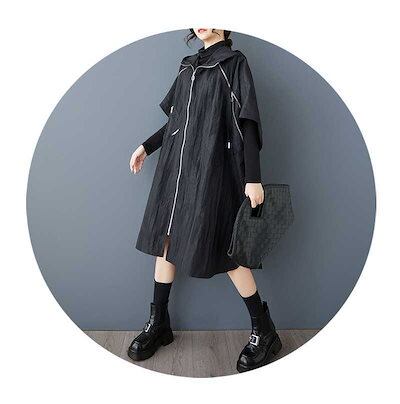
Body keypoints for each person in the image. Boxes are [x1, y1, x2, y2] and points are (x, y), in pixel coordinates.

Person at [128, 28, 281, 373]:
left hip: (213, 169)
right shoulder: (187, 65)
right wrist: (147, 147)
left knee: (227, 247)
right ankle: (159, 322)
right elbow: (176, 121)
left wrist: (253, 177)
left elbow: (248, 120)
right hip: (175, 171)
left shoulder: (234, 63)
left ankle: (264, 330)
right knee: (166, 240)